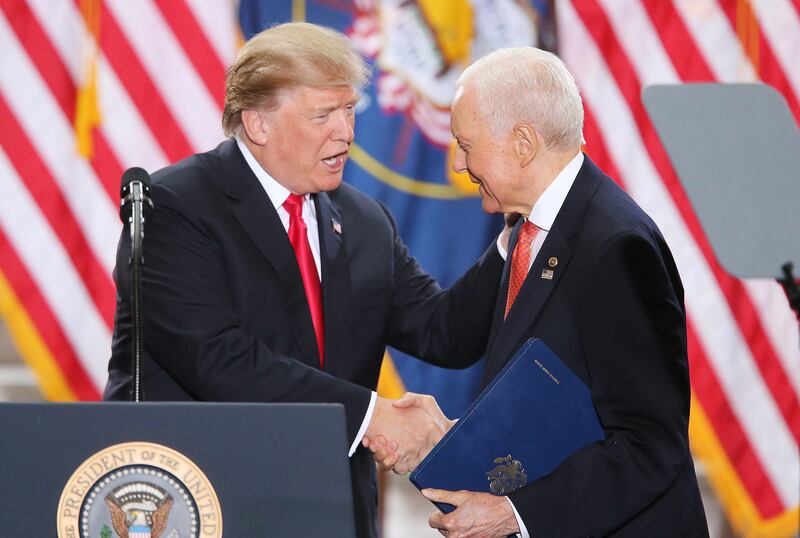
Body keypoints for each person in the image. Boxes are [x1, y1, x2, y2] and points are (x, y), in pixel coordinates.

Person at [104, 22, 506, 538]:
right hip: (209, 502)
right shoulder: (177, 207)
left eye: (348, 110)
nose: (346, 132)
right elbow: (216, 359)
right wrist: (373, 416)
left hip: (331, 509)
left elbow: (444, 332)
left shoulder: (364, 221)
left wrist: (514, 232)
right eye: (323, 115)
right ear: (258, 124)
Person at [369, 47, 709, 537]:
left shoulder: (615, 248)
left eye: (466, 144)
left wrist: (516, 513)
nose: (459, 163)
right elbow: (454, 335)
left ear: (523, 143)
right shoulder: (528, 229)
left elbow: (651, 443)